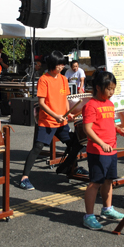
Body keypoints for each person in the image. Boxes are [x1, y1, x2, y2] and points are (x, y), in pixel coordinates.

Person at [20, 51, 76, 191]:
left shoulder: (63, 79)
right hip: (47, 121)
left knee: (74, 144)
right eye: (59, 64)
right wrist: (56, 115)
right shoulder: (44, 79)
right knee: (38, 147)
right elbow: (42, 104)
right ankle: (24, 177)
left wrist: (68, 114)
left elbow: (66, 99)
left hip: (61, 121)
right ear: (52, 64)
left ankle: (72, 167)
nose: (62, 67)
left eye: (63, 64)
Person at [82, 71, 124, 230]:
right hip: (97, 150)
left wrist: (117, 129)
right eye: (108, 89)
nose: (111, 92)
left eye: (113, 89)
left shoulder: (109, 103)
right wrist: (101, 143)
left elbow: (108, 122)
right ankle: (88, 215)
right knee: (95, 183)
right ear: (97, 87)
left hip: (111, 148)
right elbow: (88, 129)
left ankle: (107, 209)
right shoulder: (91, 105)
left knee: (109, 180)